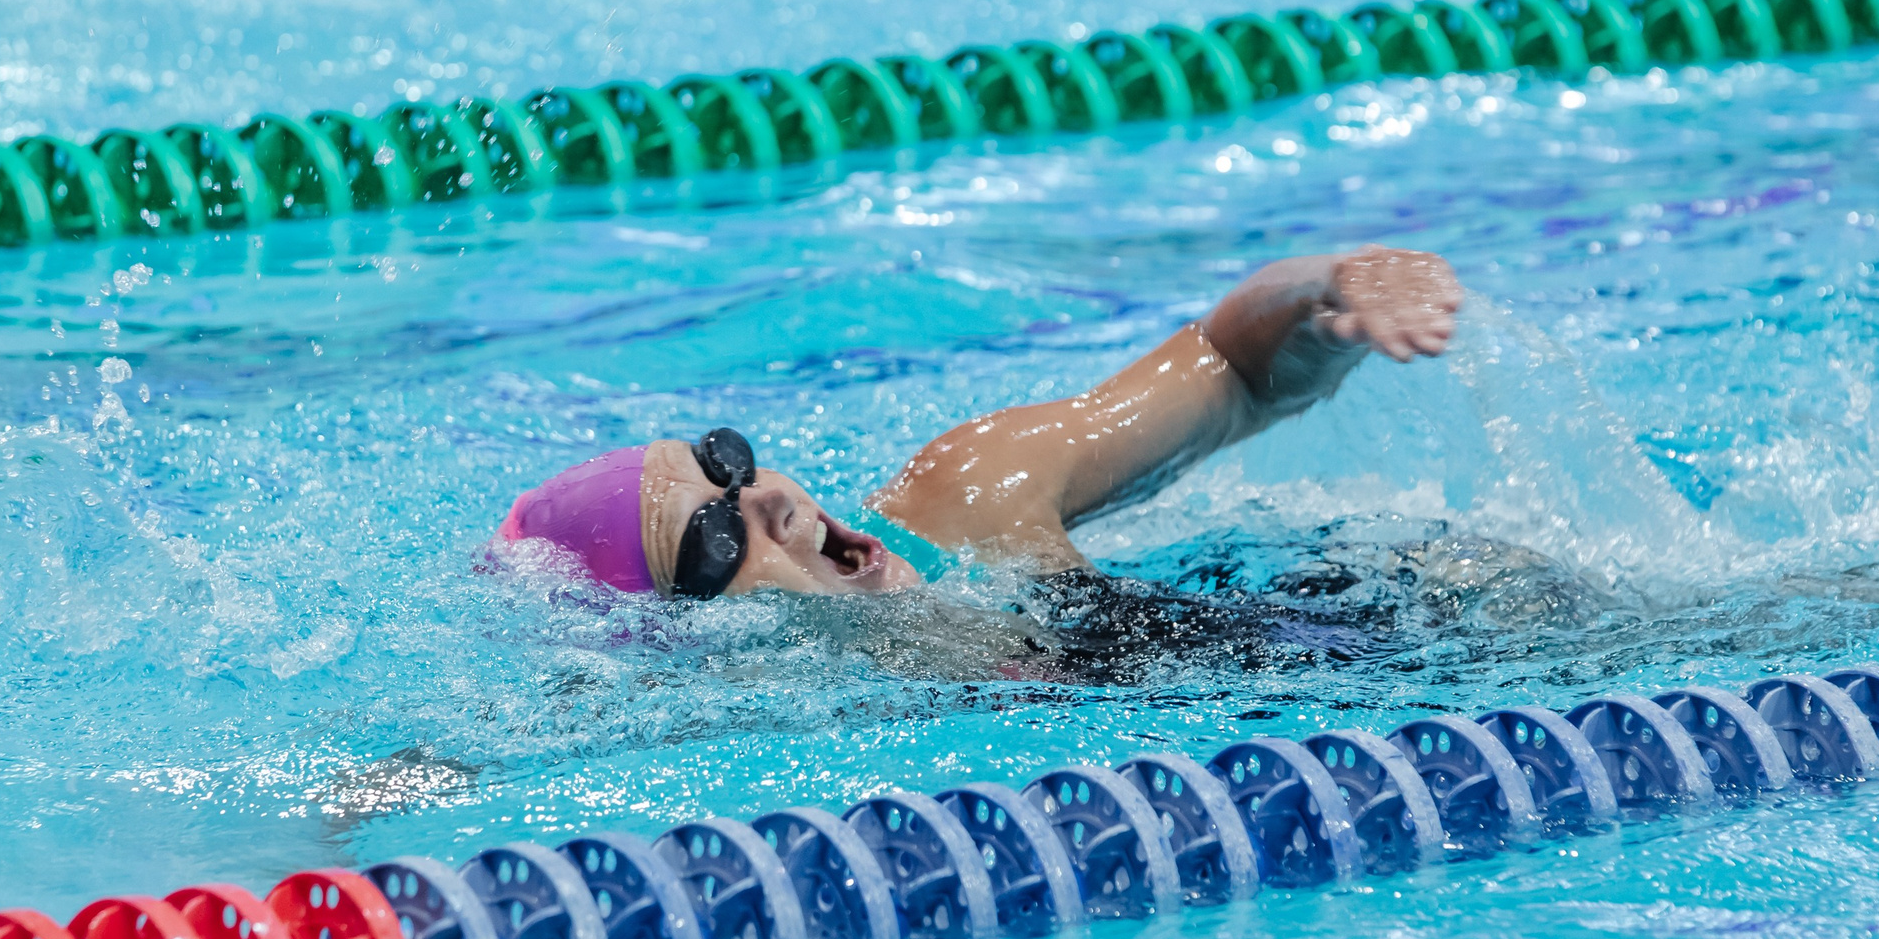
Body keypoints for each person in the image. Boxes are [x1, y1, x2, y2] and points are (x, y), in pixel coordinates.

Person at [495, 245, 1462, 602]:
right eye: (711, 540)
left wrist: (1326, 290)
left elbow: (1227, 371)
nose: (775, 506)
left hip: (1421, 602)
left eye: (729, 465)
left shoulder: (970, 493)